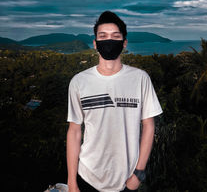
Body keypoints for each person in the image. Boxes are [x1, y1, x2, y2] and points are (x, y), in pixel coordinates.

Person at [67, 11, 163, 192]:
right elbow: (74, 131)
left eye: (115, 36)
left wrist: (138, 174)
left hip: (127, 181)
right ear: (95, 44)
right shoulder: (79, 82)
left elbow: (149, 125)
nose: (109, 41)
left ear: (124, 43)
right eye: (103, 36)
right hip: (87, 178)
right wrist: (72, 182)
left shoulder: (140, 78)